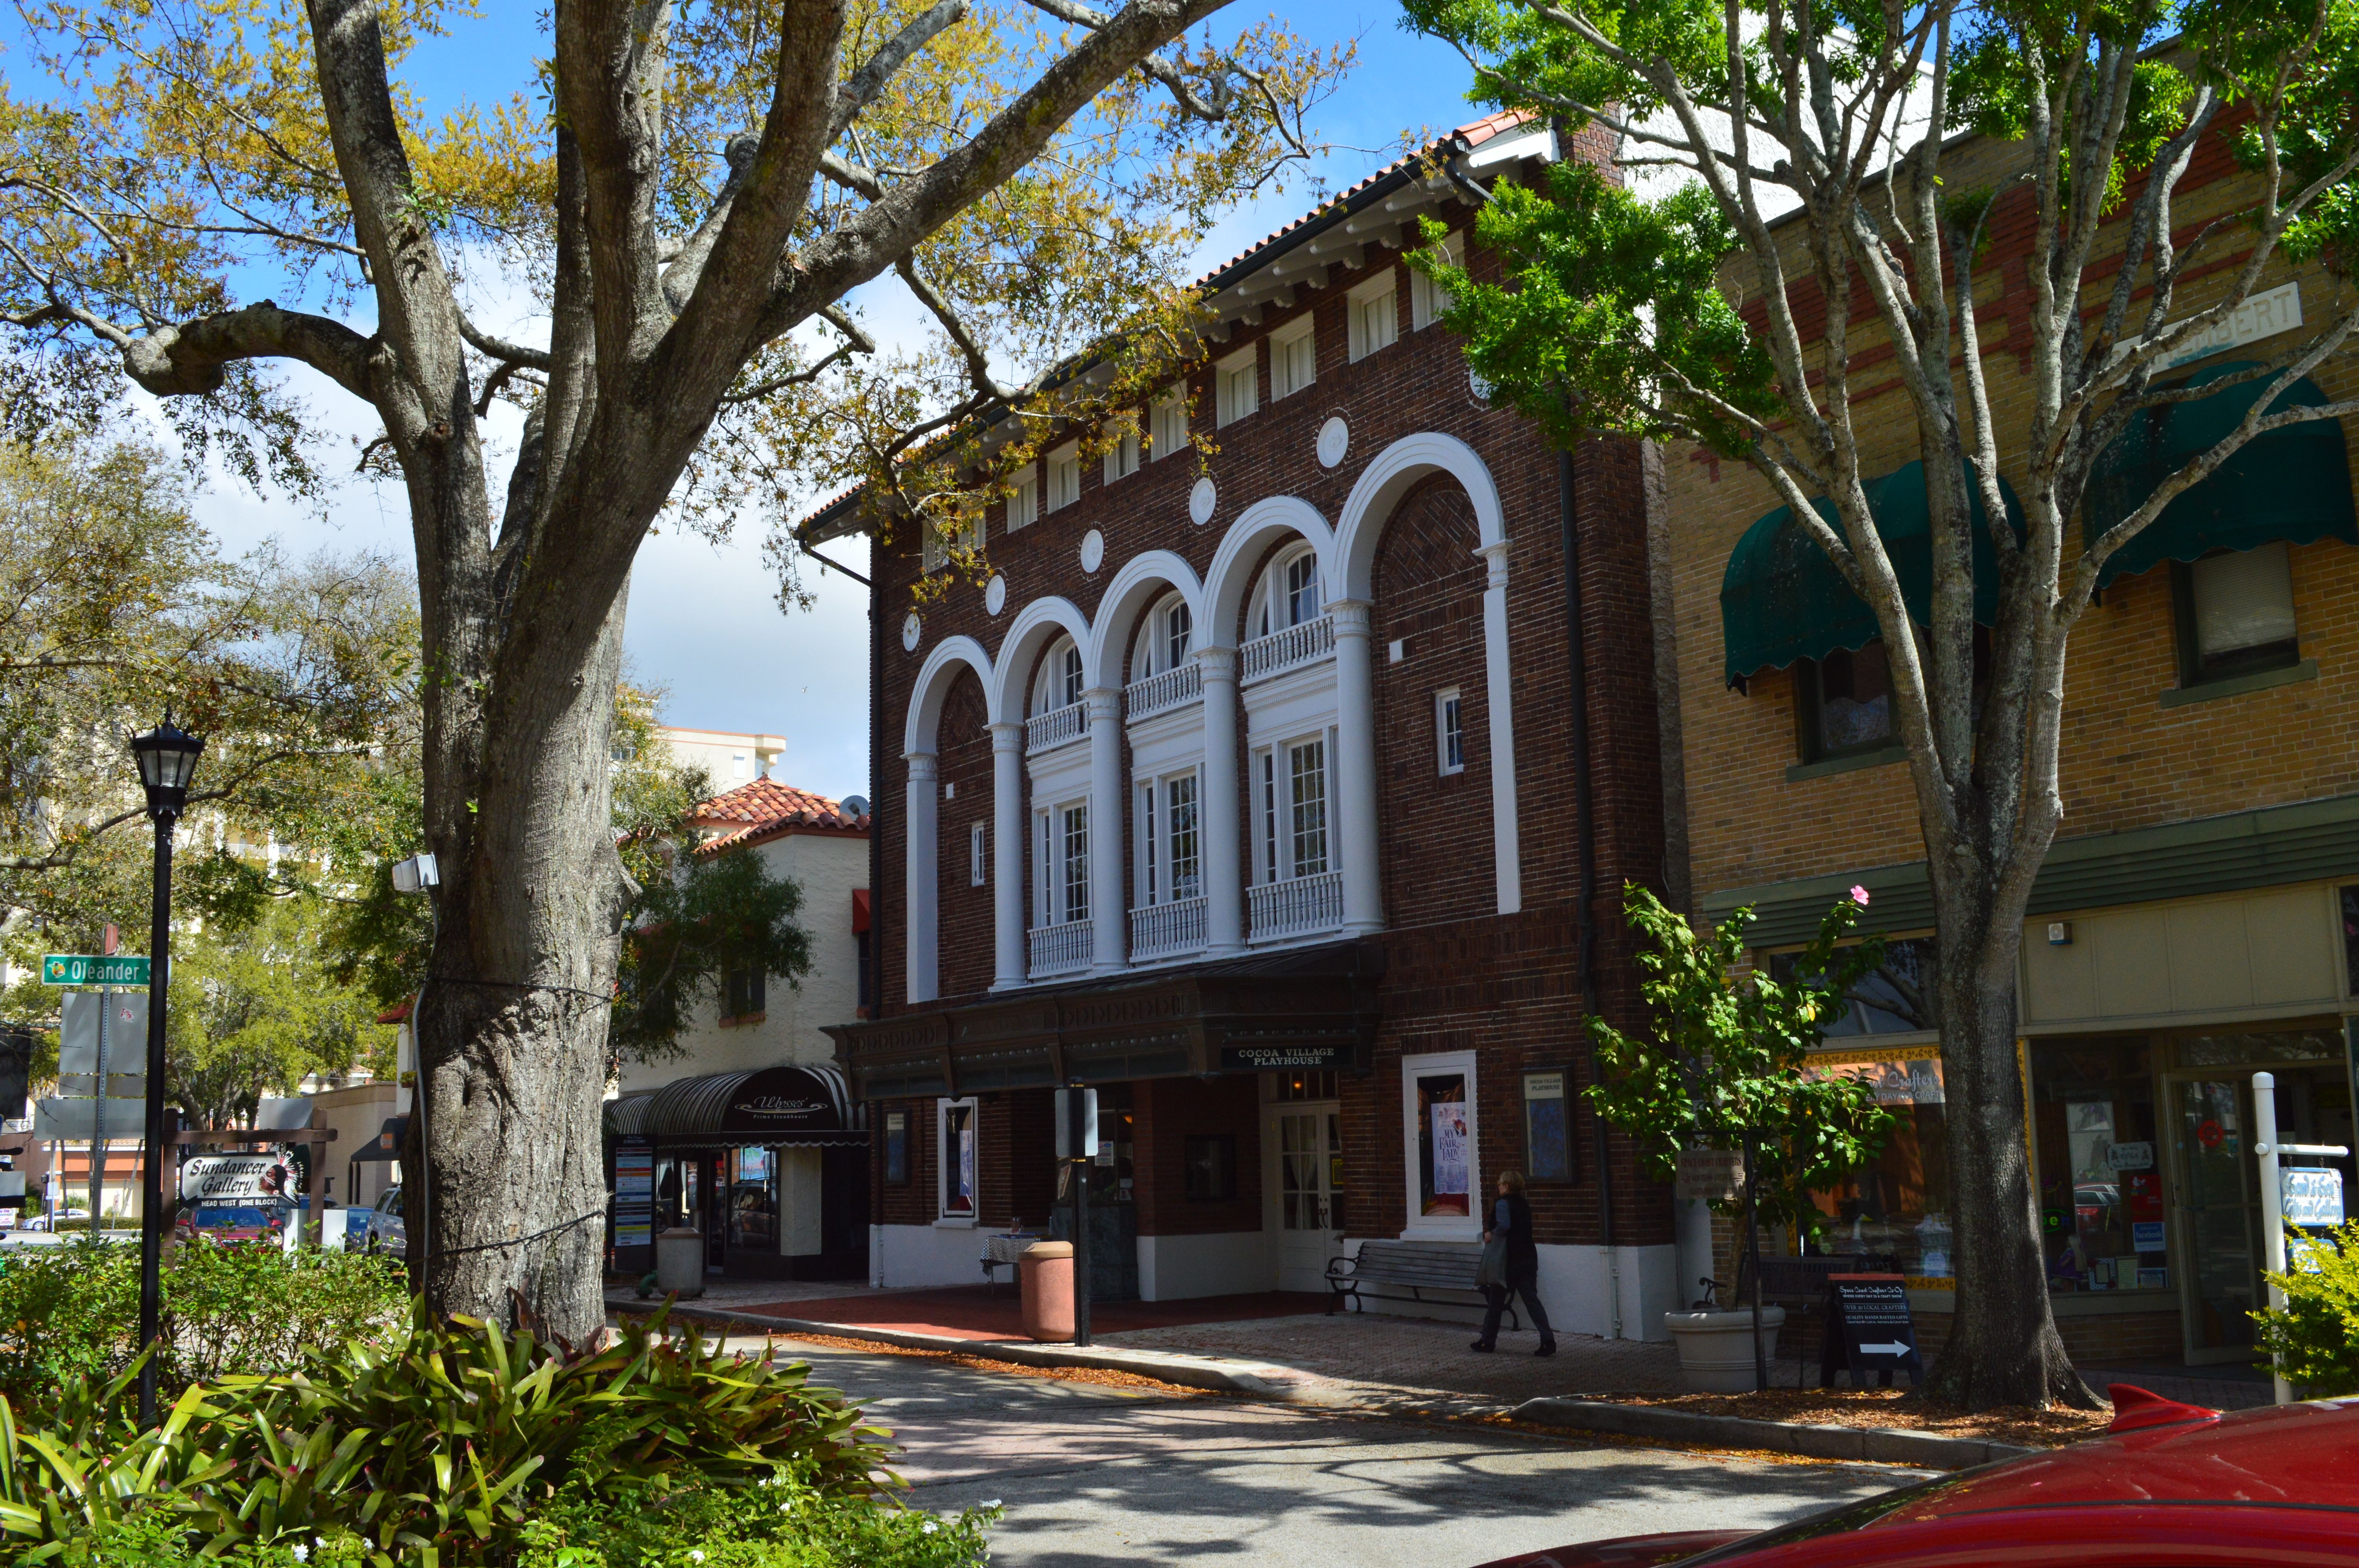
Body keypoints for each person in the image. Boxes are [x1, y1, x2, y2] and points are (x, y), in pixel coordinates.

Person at [1470, 1168, 1556, 1356]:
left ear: (1507, 1186)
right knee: (1532, 1301)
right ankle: (1548, 1340)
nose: (1499, 1187)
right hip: (1528, 1257)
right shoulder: (1524, 1204)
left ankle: (1487, 1342)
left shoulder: (1503, 1203)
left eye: (1501, 1184)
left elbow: (1504, 1226)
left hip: (1508, 1260)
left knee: (1495, 1302)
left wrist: (1491, 1234)